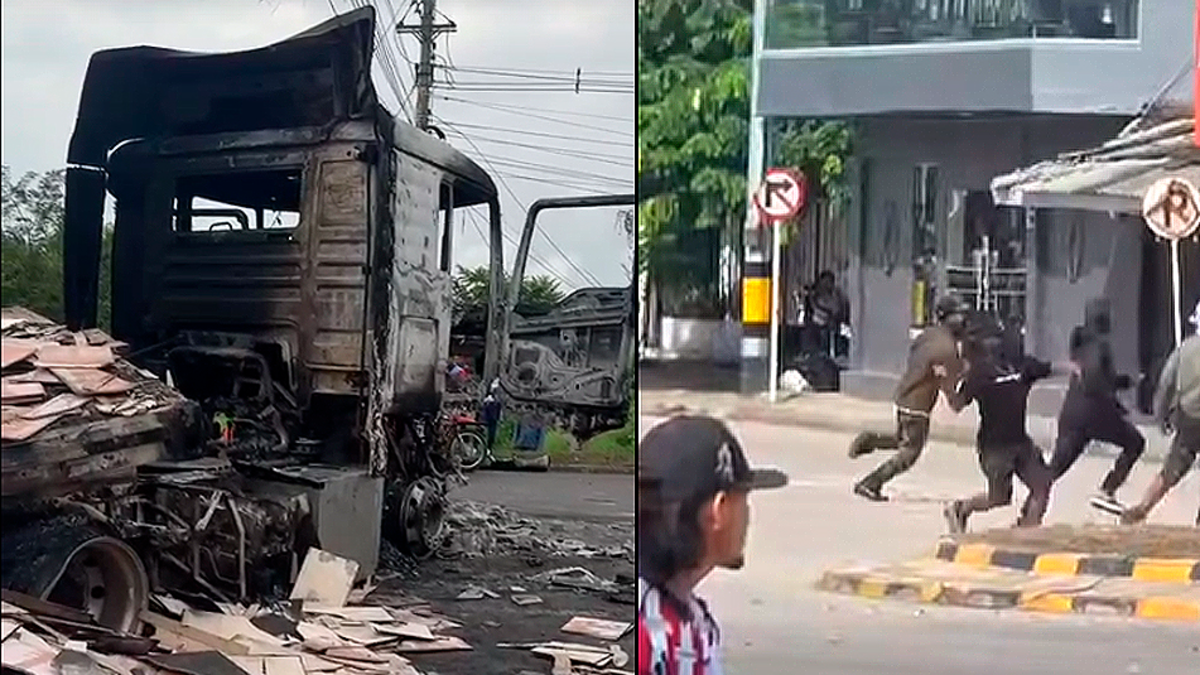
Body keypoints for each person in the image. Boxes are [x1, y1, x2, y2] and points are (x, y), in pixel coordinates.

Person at [637, 416, 787, 675]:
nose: (748, 516)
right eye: (743, 499)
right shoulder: (652, 637)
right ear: (719, 510)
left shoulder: (690, 621)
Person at [848, 296, 972, 502]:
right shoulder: (946, 348)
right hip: (918, 405)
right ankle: (871, 483)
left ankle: (871, 440)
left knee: (902, 440)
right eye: (958, 315)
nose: (963, 320)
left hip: (905, 395)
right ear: (947, 318)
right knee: (910, 453)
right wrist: (960, 395)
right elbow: (950, 384)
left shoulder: (928, 335)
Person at [944, 319, 1057, 533]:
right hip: (994, 447)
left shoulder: (1024, 366)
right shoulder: (979, 373)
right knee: (999, 497)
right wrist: (947, 383)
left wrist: (1077, 369)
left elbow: (1050, 369)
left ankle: (1027, 530)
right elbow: (957, 404)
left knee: (1042, 485)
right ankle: (960, 508)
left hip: (1021, 442)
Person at [1048, 298, 1145, 516]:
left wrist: (1125, 383)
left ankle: (1029, 513)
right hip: (1095, 413)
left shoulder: (1079, 343)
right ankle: (1107, 490)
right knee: (1136, 443)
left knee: (1053, 470)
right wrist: (1120, 398)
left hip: (1071, 413)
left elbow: (1095, 378)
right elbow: (1097, 382)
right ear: (1103, 320)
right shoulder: (1100, 346)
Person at [1122, 300, 1200, 526]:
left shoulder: (1184, 349)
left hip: (1188, 419)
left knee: (1172, 469)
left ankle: (1143, 507)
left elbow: (1165, 383)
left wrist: (1160, 414)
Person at [807, 270, 851, 357]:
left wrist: (835, 318)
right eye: (825, 282)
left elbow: (840, 310)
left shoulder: (838, 295)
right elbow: (815, 310)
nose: (827, 285)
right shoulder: (814, 297)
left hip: (835, 327)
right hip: (819, 326)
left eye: (830, 282)